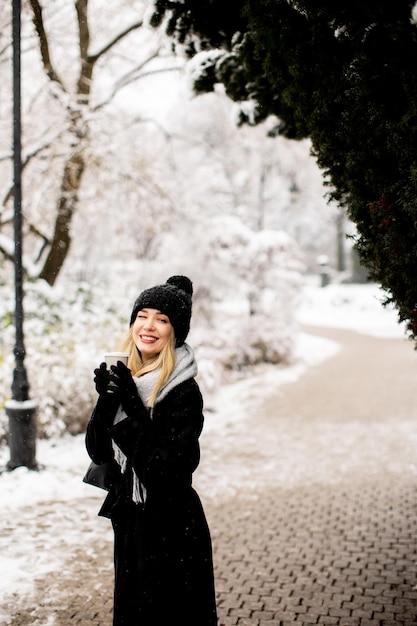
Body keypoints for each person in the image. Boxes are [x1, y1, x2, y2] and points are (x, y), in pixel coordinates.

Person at [85, 275, 218, 626]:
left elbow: (168, 468)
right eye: (142, 315)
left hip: (173, 528)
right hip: (131, 520)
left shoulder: (183, 392)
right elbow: (98, 451)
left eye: (162, 319)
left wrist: (131, 405)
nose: (149, 326)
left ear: (175, 331)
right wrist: (107, 402)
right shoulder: (128, 375)